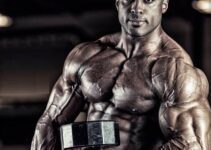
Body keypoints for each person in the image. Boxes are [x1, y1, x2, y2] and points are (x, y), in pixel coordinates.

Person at [31, 0, 211, 149]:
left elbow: (192, 145)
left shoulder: (174, 70)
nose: (136, 8)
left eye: (148, 0)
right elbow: (49, 123)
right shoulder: (87, 56)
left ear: (164, 5)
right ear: (118, 3)